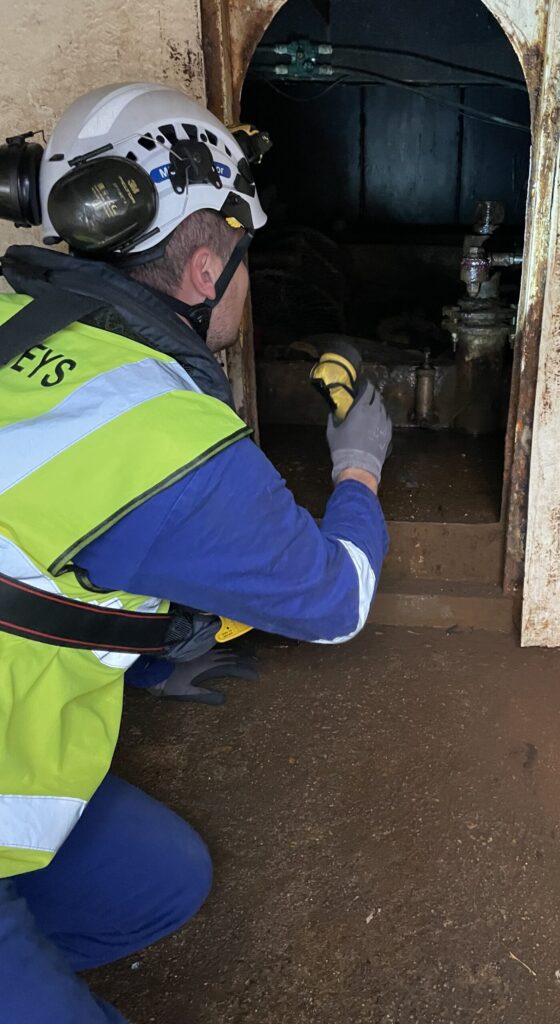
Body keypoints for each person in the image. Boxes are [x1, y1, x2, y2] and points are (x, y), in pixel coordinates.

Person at [0, 82, 392, 1022]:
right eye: (248, 255)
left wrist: (145, 647)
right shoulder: (160, 436)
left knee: (162, 883)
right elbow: (335, 602)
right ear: (206, 260)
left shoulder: (19, 326)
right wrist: (360, 472)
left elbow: (38, 547)